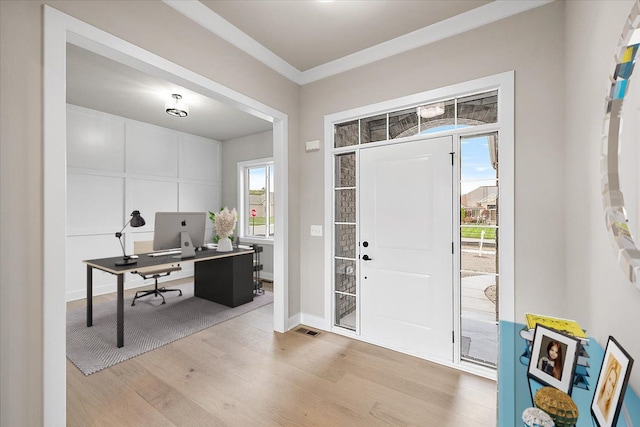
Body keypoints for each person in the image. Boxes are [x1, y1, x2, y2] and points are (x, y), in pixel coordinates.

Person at [597, 356, 621, 422]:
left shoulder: (607, 416)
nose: (610, 388)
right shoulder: (597, 403)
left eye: (613, 385)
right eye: (609, 380)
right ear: (606, 380)